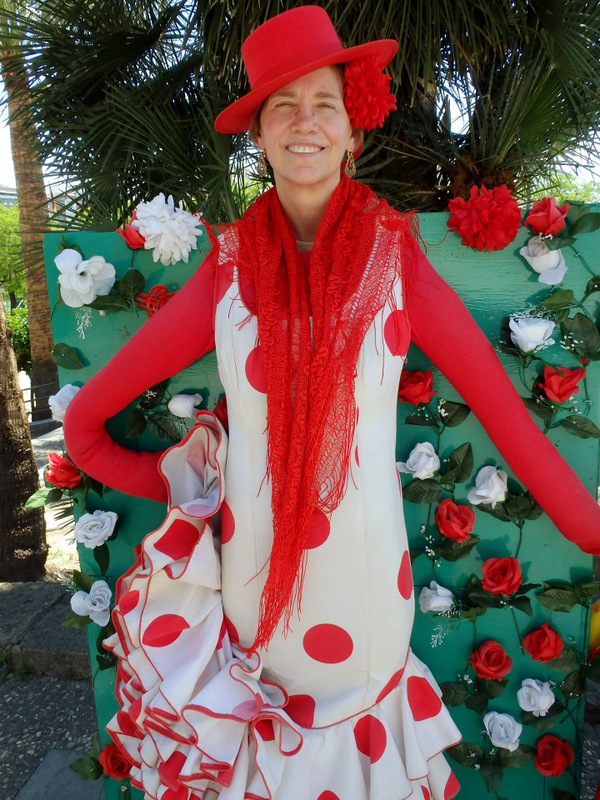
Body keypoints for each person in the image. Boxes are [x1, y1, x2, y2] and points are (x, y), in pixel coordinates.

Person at [63, 6, 600, 799]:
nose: (304, 123)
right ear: (260, 136)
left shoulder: (396, 265)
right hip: (255, 604)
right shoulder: (229, 270)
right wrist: (199, 501)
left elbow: (511, 425)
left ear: (355, 130)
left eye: (323, 103)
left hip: (367, 605)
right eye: (282, 107)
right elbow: (82, 429)